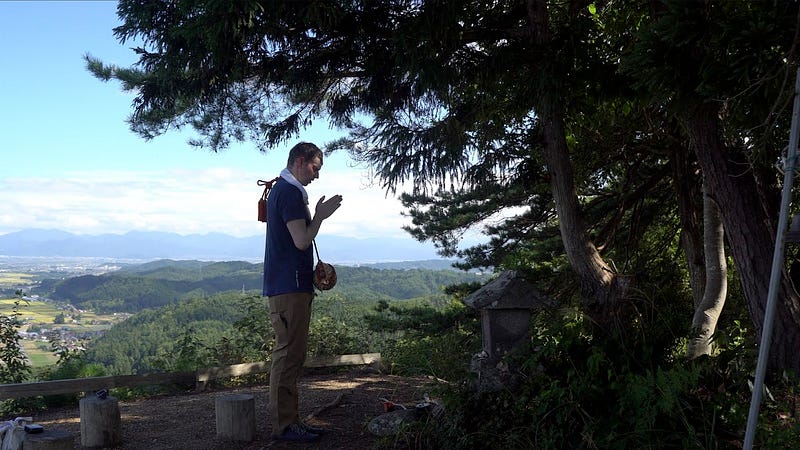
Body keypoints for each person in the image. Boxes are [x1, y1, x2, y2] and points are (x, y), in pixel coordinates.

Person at [262, 141, 343, 442]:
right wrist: (320, 214)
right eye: (314, 167)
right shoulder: (291, 193)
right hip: (289, 288)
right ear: (299, 161)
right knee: (288, 355)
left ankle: (291, 421)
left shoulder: (282, 190)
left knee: (292, 354)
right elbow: (300, 240)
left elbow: (291, 244)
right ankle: (284, 426)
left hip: (289, 284)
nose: (316, 175)